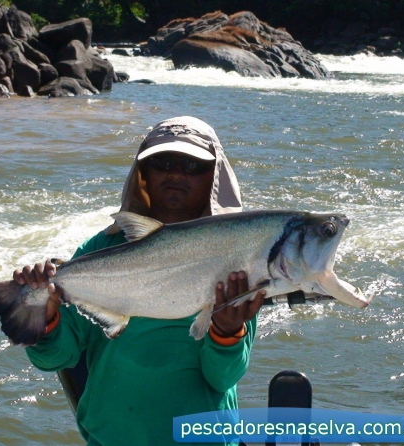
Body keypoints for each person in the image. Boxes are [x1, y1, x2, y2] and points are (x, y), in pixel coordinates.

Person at [15, 116, 265, 445]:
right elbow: (53, 359)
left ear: (214, 176)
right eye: (164, 162)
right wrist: (42, 317)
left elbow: (223, 377)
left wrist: (227, 331)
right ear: (143, 172)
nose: (177, 174)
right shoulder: (99, 249)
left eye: (193, 166)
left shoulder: (237, 257)